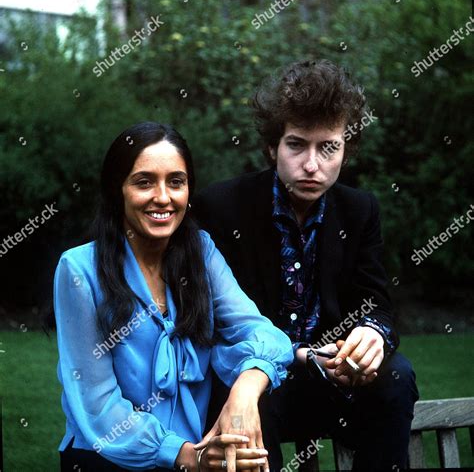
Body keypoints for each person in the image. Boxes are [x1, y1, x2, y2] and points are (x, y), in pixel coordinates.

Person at [193, 60, 419, 471]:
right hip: (258, 383)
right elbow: (215, 322)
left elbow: (376, 303)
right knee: (247, 397)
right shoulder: (223, 207)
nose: (312, 165)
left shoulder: (359, 210)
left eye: (328, 147)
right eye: (296, 145)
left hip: (336, 388)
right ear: (272, 147)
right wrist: (297, 355)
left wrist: (373, 334)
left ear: (345, 150)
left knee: (397, 376)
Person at [54, 121, 293, 471]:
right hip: (107, 457)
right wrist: (187, 455)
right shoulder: (79, 269)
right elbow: (97, 405)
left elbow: (264, 334)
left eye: (176, 182)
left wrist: (245, 390)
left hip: (196, 452)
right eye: (144, 182)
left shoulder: (201, 252)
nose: (163, 197)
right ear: (116, 189)